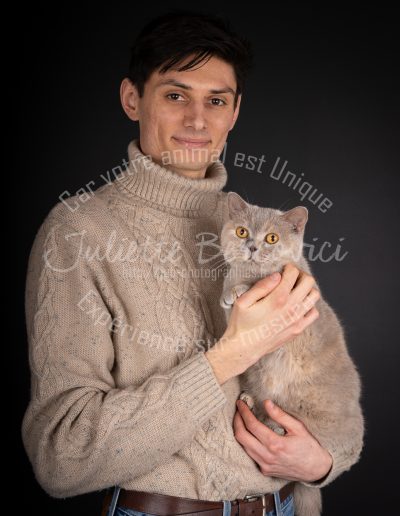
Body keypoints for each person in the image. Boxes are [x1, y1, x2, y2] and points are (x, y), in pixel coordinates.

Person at [21, 9, 362, 516]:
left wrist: (321, 462)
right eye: (176, 96)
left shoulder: (258, 233)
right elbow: (61, 458)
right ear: (132, 99)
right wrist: (231, 354)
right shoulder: (77, 233)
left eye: (216, 101)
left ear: (235, 112)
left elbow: (335, 391)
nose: (197, 121)